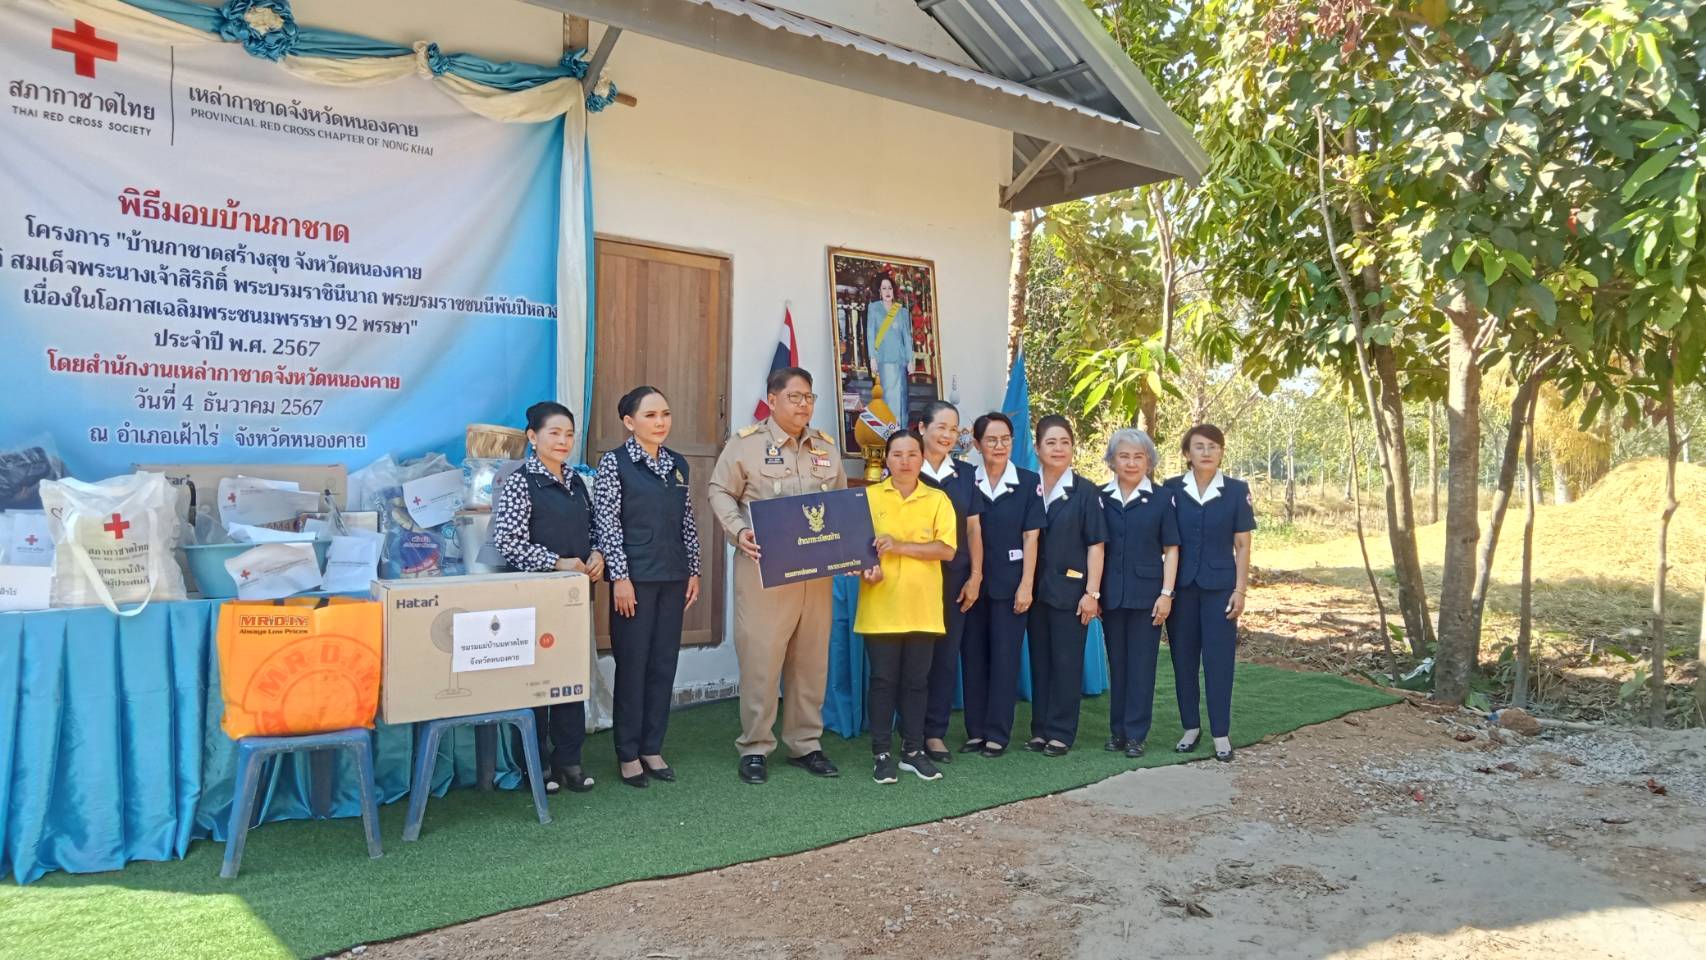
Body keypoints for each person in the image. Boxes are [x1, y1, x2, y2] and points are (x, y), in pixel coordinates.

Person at [708, 367, 848, 784]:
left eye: (809, 397)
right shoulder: (746, 446)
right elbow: (719, 490)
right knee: (762, 660)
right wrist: (739, 531)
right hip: (764, 570)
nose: (804, 404)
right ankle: (755, 746)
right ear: (773, 400)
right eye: (795, 397)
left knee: (811, 660)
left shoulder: (826, 447)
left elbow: (841, 503)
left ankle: (806, 743)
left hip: (817, 575)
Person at [491, 400, 605, 794]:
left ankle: (569, 760)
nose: (563, 441)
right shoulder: (520, 481)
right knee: (537, 682)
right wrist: (557, 562)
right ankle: (535, 765)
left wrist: (596, 555)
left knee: (570, 679)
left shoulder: (576, 482)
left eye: (569, 434)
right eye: (554, 433)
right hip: (533, 597)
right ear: (532, 437)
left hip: (573, 598)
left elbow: (594, 531)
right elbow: (507, 541)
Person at [592, 386, 702, 789]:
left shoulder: (677, 464)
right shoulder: (614, 464)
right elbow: (607, 523)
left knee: (662, 664)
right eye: (651, 415)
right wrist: (620, 578)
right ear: (629, 422)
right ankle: (627, 752)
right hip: (634, 581)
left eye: (665, 414)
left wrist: (694, 569)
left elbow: (686, 521)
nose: (661, 422)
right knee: (633, 664)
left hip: (672, 576)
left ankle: (652, 747)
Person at [855, 429, 958, 783]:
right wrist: (864, 568)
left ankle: (912, 751)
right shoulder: (867, 498)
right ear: (886, 459)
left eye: (912, 454)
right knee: (883, 681)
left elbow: (946, 550)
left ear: (922, 458)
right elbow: (856, 551)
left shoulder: (937, 500)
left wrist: (898, 546)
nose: (905, 461)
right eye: (897, 454)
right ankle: (881, 753)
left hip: (922, 607)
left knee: (916, 682)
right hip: (880, 606)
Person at [1164, 424, 1256, 762]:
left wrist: (1240, 590)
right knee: (1183, 660)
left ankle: (1220, 732)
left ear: (1221, 452)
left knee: (1219, 662)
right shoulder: (1172, 489)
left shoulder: (1236, 491)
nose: (1206, 452)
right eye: (1199, 447)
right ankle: (1190, 727)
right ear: (1187, 453)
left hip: (1220, 589)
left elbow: (1243, 545)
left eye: (1213, 447)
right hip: (1182, 590)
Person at [958, 412, 1044, 758]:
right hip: (970, 585)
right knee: (973, 658)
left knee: (1005, 658)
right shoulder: (965, 481)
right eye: (991, 440)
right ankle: (975, 731)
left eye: (1005, 439)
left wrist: (1027, 585)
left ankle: (997, 733)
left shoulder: (1027, 482)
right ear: (976, 445)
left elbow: (1031, 537)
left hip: (1010, 585)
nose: (999, 446)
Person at [1027, 414, 1106, 757]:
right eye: (1050, 442)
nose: (1058, 449)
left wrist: (1092, 593)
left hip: (1071, 592)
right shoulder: (1029, 486)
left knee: (1066, 661)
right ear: (1037, 448)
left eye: (1065, 442)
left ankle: (1061, 731)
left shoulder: (1086, 491)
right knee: (1040, 662)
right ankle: (1040, 729)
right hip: (1032, 591)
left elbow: (1096, 545)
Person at [1098, 428, 1179, 758]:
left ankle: (1136, 734)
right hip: (1112, 595)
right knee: (1118, 664)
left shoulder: (1161, 498)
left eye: (1138, 456)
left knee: (1142, 665)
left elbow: (1171, 549)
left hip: (1148, 595)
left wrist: (1167, 593)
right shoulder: (1101, 498)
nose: (1131, 463)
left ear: (1149, 461)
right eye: (1124, 456)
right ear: (1112, 460)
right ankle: (1117, 731)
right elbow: (1096, 548)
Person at [916, 400, 984, 764]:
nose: (947, 435)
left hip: (955, 577)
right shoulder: (907, 470)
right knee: (914, 657)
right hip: (913, 579)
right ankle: (910, 731)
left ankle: (934, 732)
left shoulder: (966, 475)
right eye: (940, 427)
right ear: (922, 428)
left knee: (945, 657)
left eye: (953, 429)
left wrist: (975, 575)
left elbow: (974, 529)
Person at [865, 272, 913, 429]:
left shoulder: (902, 311)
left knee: (901, 396)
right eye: (884, 288)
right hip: (883, 359)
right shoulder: (874, 308)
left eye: (890, 288)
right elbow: (870, 333)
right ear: (879, 291)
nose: (887, 291)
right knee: (887, 396)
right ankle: (888, 430)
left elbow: (907, 336)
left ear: (894, 290)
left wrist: (910, 359)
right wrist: (872, 357)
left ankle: (902, 429)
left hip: (899, 359)